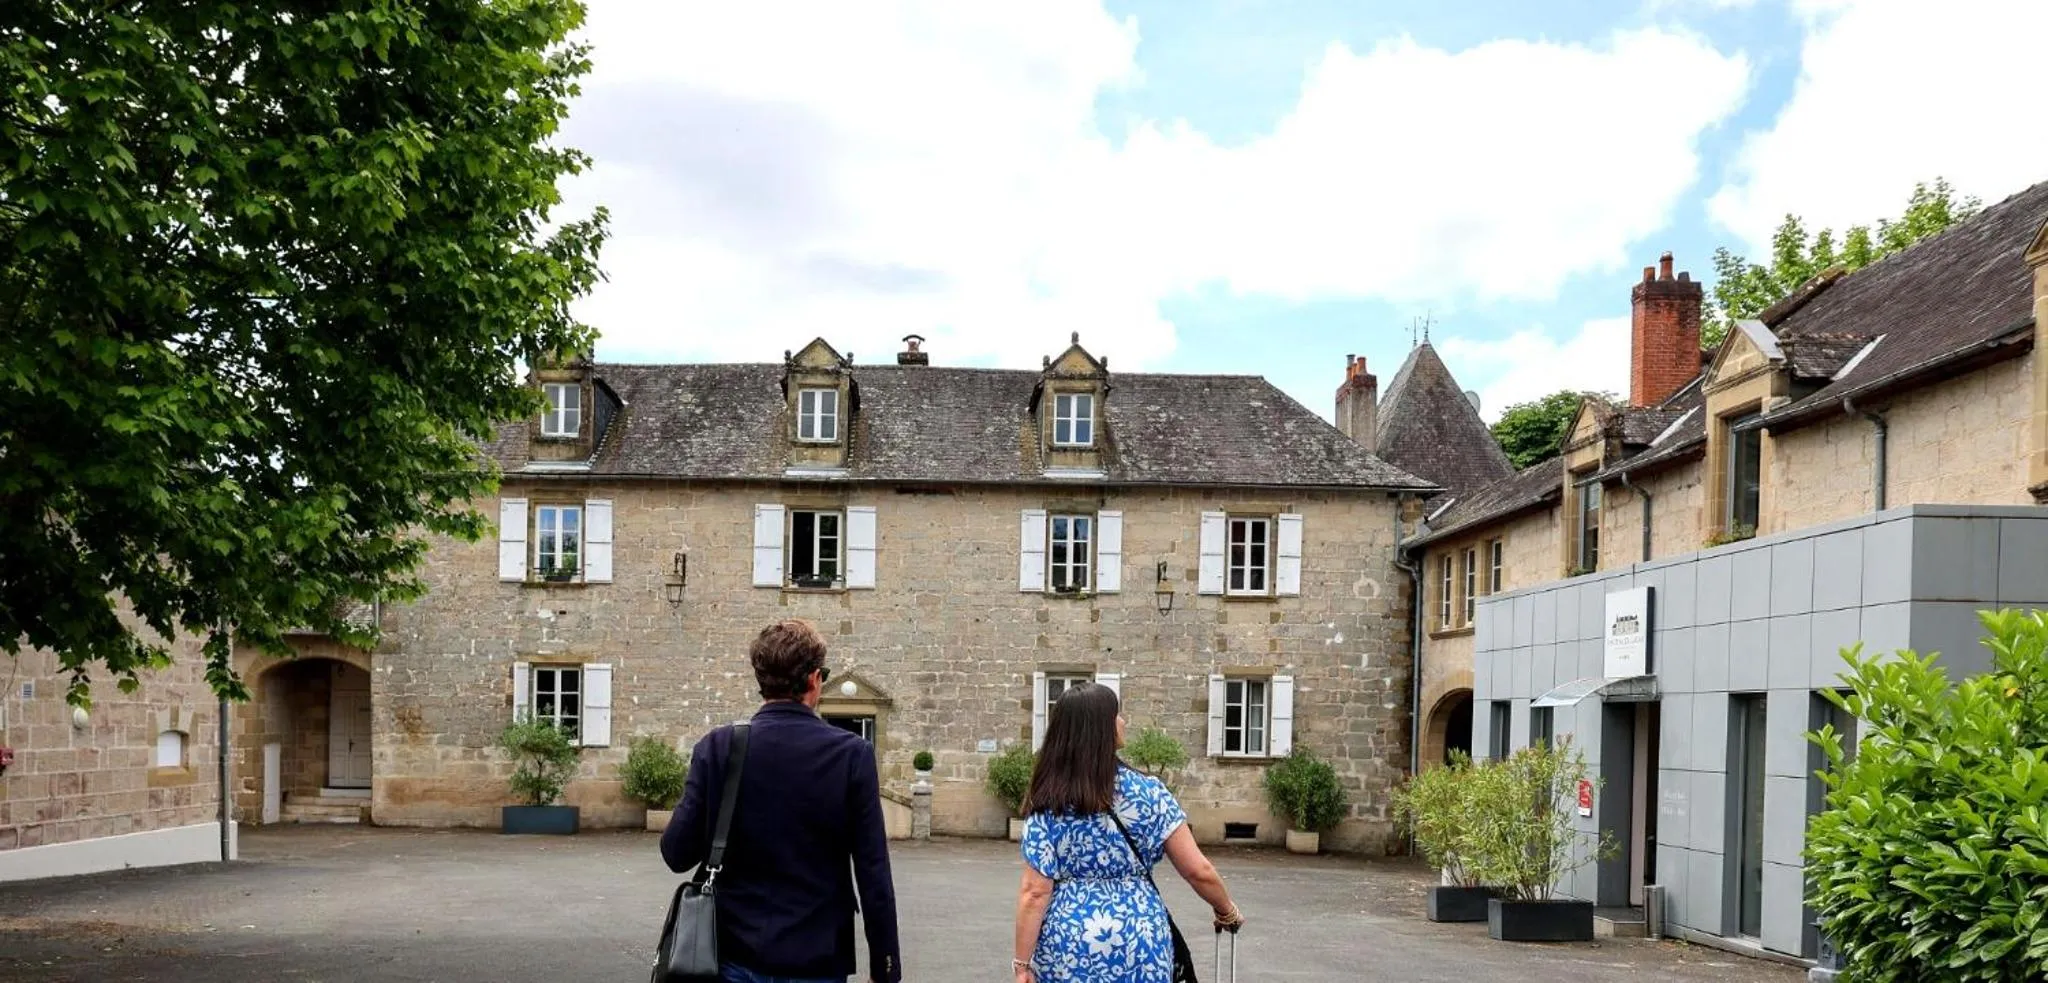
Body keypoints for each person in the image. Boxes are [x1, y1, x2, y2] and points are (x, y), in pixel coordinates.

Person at [661, 619, 902, 983]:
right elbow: (873, 872)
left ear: (761, 680)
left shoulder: (719, 747)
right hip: (817, 955)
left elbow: (676, 852)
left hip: (731, 953)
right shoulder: (851, 755)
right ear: (814, 680)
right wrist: (885, 966)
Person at [1011, 682, 1244, 983]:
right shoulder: (1149, 793)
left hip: (1067, 943)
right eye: (1117, 715)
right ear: (1101, 729)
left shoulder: (1048, 800)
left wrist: (1022, 964)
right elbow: (1198, 870)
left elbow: (1034, 892)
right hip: (1140, 937)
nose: (1123, 722)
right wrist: (1227, 910)